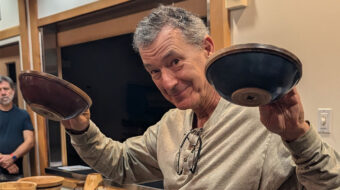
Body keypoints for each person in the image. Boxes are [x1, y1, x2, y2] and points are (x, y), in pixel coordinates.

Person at [62, 5, 340, 189]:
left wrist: (298, 137)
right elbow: (121, 163)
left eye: (175, 62)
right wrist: (82, 129)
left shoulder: (264, 118)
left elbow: (330, 184)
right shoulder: (171, 124)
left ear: (207, 47)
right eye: (154, 71)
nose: (167, 82)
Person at [0, 75, 35, 182]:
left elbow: (29, 141)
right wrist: (5, 163)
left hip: (15, 175)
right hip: (10, 168)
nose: (3, 93)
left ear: (13, 91)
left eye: (6, 89)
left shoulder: (23, 115)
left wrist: (12, 157)